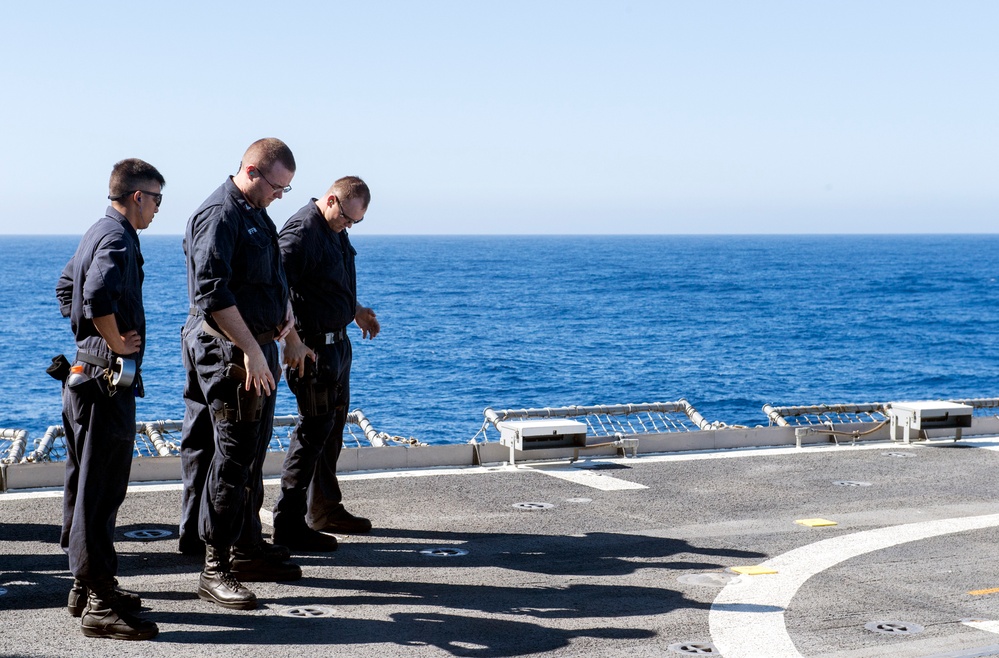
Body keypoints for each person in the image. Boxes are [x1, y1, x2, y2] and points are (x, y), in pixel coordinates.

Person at [180, 138, 313, 610]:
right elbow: (212, 294)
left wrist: (288, 328)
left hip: (258, 347)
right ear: (253, 171)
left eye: (286, 189)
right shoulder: (220, 215)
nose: (280, 195)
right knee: (233, 458)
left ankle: (248, 548)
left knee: (253, 453)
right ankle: (215, 568)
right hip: (230, 351)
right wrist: (252, 350)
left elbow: (270, 280)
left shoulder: (257, 213)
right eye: (277, 186)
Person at [55, 158, 164, 640]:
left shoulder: (96, 231)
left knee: (83, 486)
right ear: (137, 196)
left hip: (84, 376)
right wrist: (114, 341)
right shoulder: (118, 237)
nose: (158, 208)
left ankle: (85, 586)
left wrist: (88, 337)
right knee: (100, 493)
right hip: (104, 384)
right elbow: (96, 294)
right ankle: (99, 602)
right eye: (156, 199)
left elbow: (66, 288)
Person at [272, 176, 379, 552]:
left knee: (330, 431)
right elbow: (275, 287)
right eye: (346, 218)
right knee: (312, 433)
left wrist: (354, 309)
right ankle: (288, 522)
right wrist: (291, 340)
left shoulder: (333, 228)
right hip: (312, 349)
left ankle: (324, 509)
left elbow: (325, 283)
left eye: (355, 222)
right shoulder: (302, 232)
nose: (347, 226)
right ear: (331, 200)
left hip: (337, 346)